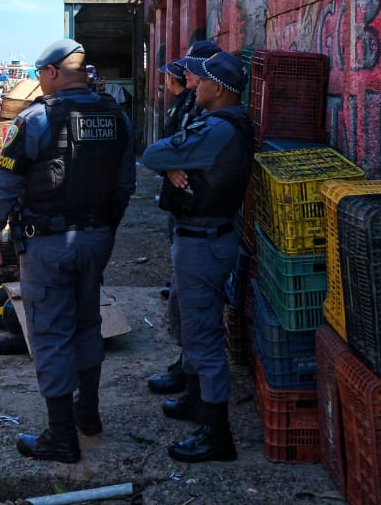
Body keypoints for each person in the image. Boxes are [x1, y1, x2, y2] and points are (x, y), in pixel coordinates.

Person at [0, 39, 135, 464]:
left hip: (48, 246)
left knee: (50, 334)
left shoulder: (34, 120)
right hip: (96, 239)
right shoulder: (116, 116)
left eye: (39, 75)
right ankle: (89, 415)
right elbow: (125, 185)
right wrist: (104, 232)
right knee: (88, 324)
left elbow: (4, 187)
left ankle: (61, 437)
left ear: (50, 73)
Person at [141, 52, 254, 463]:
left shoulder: (218, 130)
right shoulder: (219, 126)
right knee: (191, 325)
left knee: (204, 338)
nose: (192, 85)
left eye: (200, 80)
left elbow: (153, 154)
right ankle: (194, 400)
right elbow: (164, 160)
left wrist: (171, 163)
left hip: (204, 243)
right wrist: (175, 167)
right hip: (201, 238)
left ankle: (217, 434)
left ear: (219, 88)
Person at [145, 40, 222, 398]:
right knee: (183, 306)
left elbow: (170, 149)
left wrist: (173, 160)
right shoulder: (193, 104)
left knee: (196, 316)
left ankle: (199, 395)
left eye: (193, 68)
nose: (185, 74)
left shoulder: (212, 116)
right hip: (187, 216)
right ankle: (188, 372)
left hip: (202, 227)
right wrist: (171, 163)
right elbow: (166, 150)